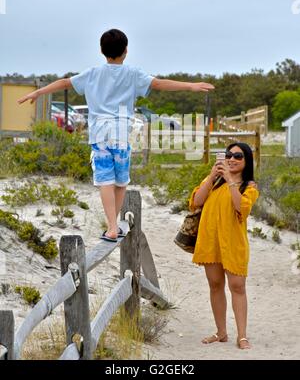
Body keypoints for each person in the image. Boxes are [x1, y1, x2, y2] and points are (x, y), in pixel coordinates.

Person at [18, 28, 214, 242]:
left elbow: (65, 83)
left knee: (104, 180)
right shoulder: (132, 73)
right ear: (126, 51)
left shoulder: (93, 73)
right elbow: (158, 84)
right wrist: (191, 86)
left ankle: (111, 227)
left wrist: (38, 92)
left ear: (102, 50)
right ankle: (114, 226)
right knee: (121, 181)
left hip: (99, 132)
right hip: (120, 133)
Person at [189, 142, 259, 349]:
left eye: (238, 156)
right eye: (229, 155)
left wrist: (230, 180)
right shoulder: (213, 181)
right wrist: (212, 177)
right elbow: (196, 202)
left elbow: (241, 208)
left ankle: (242, 335)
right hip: (211, 241)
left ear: (247, 161)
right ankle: (221, 332)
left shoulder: (250, 187)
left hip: (234, 243)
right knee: (215, 285)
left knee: (237, 287)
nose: (232, 159)